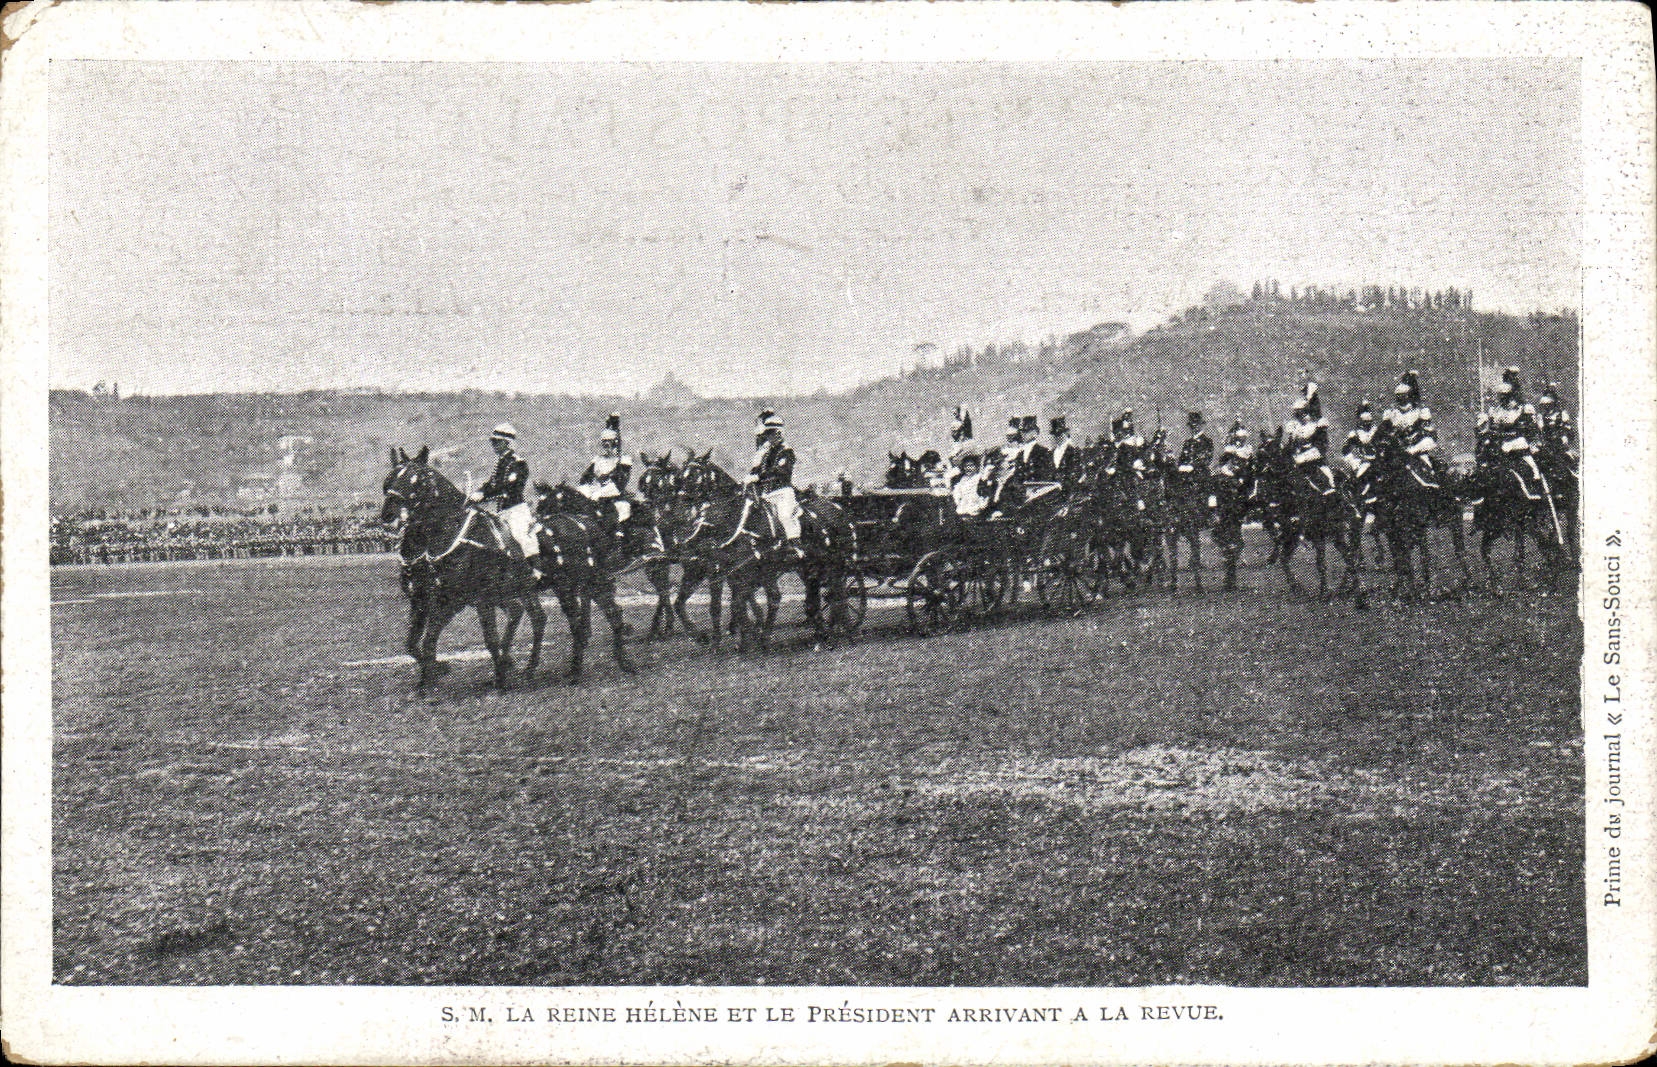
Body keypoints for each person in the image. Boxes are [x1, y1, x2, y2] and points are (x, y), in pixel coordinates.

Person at [470, 423, 540, 564]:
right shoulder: (500, 463)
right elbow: (491, 484)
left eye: (497, 441)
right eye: (493, 441)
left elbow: (509, 487)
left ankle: (537, 569)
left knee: (521, 536)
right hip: (501, 511)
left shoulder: (518, 463)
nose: (494, 445)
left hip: (516, 510)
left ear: (507, 442)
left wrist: (484, 495)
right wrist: (478, 493)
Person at [1478, 367, 1545, 497]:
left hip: (1519, 446)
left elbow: (1532, 430)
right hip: (1498, 447)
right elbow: (1490, 429)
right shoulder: (1495, 411)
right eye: (1501, 395)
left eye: (1506, 396)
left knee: (1533, 469)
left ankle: (1535, 493)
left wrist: (1530, 443)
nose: (1503, 398)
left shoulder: (1524, 409)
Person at [746, 410, 802, 553]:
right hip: (767, 495)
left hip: (783, 493)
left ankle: (795, 546)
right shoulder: (766, 454)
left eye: (771, 433)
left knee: (784, 516)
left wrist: (759, 477)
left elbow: (780, 471)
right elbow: (758, 470)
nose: (768, 437)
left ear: (779, 433)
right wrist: (751, 477)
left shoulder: (786, 452)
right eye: (767, 434)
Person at [576, 412, 634, 539]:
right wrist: (585, 491)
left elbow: (619, 484)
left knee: (618, 516)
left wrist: (600, 493)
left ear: (615, 443)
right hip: (595, 496)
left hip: (614, 498)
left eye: (610, 442)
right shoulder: (597, 460)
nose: (607, 446)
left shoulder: (623, 461)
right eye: (604, 442)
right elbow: (585, 479)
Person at [1381, 370, 1441, 486]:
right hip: (1395, 454)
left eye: (1404, 397)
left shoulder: (1420, 413)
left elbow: (1430, 438)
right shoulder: (1392, 415)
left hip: (1416, 454)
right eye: (1399, 397)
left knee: (1427, 476)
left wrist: (1414, 449)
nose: (1401, 400)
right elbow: (1382, 435)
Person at [1284, 382, 1337, 495]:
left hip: (1315, 459)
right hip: (1297, 459)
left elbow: (1322, 446)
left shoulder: (1316, 426)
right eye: (1297, 413)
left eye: (1302, 412)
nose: (1299, 415)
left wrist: (1304, 457)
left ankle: (1327, 492)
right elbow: (1291, 445)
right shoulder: (1295, 427)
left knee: (1322, 479)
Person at [1341, 402, 1381, 506]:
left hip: (1378, 460)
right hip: (1365, 461)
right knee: (1360, 477)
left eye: (1368, 422)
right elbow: (1346, 450)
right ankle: (1361, 499)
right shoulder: (1356, 434)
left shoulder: (1376, 431)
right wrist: (1353, 461)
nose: (1366, 424)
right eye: (1364, 422)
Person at [1174, 410, 1214, 490]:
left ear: (1200, 425)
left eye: (1196, 425)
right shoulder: (1187, 443)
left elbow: (1206, 459)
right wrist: (1182, 467)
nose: (1194, 428)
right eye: (1192, 426)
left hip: (1200, 476)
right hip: (1186, 477)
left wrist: (1192, 466)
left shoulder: (1207, 441)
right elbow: (1182, 458)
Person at [950, 452, 991, 518]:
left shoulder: (980, 478)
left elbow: (985, 494)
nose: (968, 468)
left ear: (976, 466)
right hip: (963, 506)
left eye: (971, 465)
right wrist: (958, 502)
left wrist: (982, 505)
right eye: (966, 466)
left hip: (977, 507)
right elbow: (957, 493)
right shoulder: (961, 479)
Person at [1049, 415, 1082, 487]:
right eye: (1055, 435)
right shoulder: (1051, 452)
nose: (1057, 437)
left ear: (1066, 434)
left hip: (1069, 488)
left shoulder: (1074, 451)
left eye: (1060, 434)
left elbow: (1077, 473)